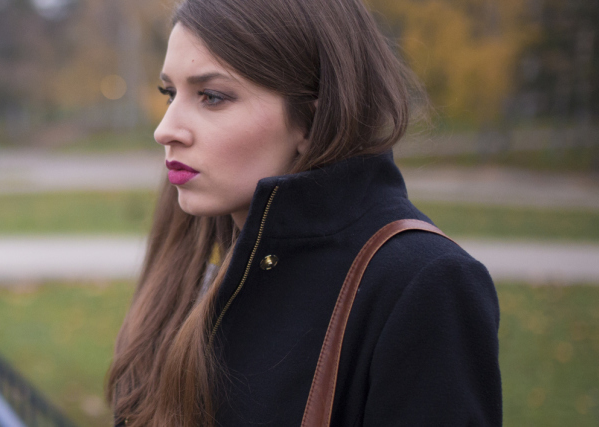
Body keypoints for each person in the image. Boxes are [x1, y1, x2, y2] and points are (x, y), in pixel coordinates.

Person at [104, 0, 502, 425]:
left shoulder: (424, 283)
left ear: (312, 120)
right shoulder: (197, 247)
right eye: (170, 93)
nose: (165, 128)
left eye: (212, 97)